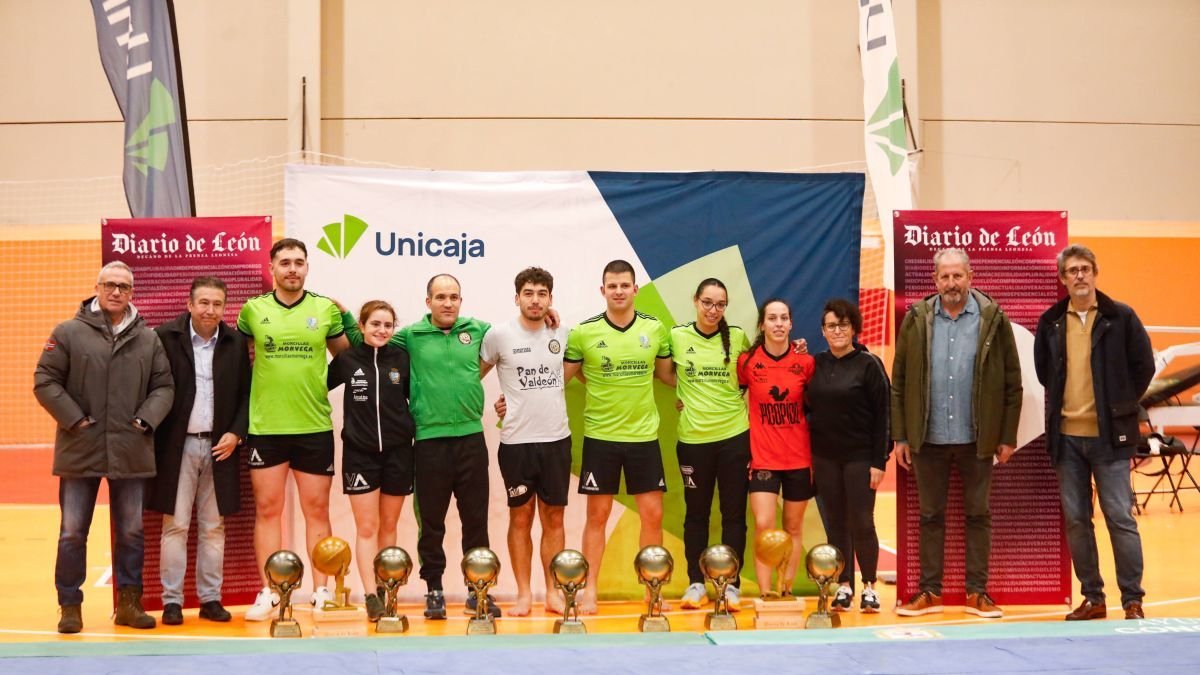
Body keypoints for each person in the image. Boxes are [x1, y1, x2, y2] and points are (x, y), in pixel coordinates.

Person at [341, 274, 495, 620]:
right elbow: (368, 341)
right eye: (440, 297)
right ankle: (434, 590)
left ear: (461, 300)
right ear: (428, 302)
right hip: (427, 442)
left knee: (476, 520)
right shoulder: (409, 336)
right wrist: (347, 317)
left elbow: (515, 336)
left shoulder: (479, 329)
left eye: (454, 296)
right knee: (432, 524)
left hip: (471, 438)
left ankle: (478, 590)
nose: (447, 303)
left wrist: (547, 317)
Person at [34, 261, 174, 633]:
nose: (116, 291)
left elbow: (164, 387)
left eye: (124, 287)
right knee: (72, 531)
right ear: (96, 287)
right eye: (110, 285)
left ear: (132, 293)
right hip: (80, 447)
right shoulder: (67, 332)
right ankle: (69, 606)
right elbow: (45, 380)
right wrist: (75, 419)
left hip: (131, 448)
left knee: (131, 531)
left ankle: (129, 603)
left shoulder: (148, 338)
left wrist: (145, 420)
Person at [892, 247, 1022, 619]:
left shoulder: (992, 318)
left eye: (957, 275)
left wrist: (1007, 436)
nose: (951, 283)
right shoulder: (917, 318)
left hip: (977, 440)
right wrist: (901, 435)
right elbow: (899, 382)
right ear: (935, 280)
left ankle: (977, 593)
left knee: (978, 515)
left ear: (970, 276)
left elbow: (1013, 383)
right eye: (944, 276)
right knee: (930, 516)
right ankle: (930, 592)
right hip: (927, 439)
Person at [1034, 244, 1154, 621]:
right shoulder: (1051, 321)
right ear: (1063, 278)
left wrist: (1120, 406)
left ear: (1095, 273)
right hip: (1067, 438)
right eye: (1072, 270)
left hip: (1110, 439)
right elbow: (1043, 372)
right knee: (1076, 520)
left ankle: (1132, 599)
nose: (1080, 275)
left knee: (1120, 517)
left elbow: (1144, 367)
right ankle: (1093, 598)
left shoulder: (1121, 317)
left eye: (1085, 268)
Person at [238, 238, 349, 621]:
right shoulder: (252, 310)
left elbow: (348, 359)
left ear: (307, 268)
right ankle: (271, 592)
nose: (292, 269)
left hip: (313, 426)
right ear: (272, 267)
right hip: (266, 427)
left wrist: (319, 384)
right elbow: (236, 361)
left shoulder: (324, 310)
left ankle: (321, 590)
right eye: (285, 262)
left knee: (317, 510)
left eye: (299, 262)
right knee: (269, 510)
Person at [564, 259, 673, 614]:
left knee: (653, 515)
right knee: (597, 516)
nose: (619, 291)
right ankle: (589, 590)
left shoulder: (656, 329)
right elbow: (564, 376)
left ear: (635, 289)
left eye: (625, 285)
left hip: (644, 436)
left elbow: (667, 376)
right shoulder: (583, 332)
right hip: (600, 436)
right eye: (612, 286)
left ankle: (652, 591)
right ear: (603, 291)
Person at [148, 277, 250, 626]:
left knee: (213, 528)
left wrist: (237, 433)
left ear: (225, 308)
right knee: (174, 526)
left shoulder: (235, 342)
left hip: (221, 449)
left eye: (217, 304)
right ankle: (172, 601)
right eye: (204, 303)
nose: (210, 310)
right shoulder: (164, 337)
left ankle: (210, 599)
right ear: (189, 304)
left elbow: (246, 394)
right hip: (177, 448)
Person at [480, 267, 571, 617]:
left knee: (554, 519)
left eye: (542, 293)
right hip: (516, 442)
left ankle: (552, 592)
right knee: (520, 519)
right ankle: (522, 593)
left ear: (550, 298)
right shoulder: (498, 335)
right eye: (529, 293)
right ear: (516, 297)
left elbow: (571, 373)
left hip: (556, 440)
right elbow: (473, 376)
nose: (535, 299)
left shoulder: (563, 333)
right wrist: (494, 403)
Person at [327, 300, 414, 622]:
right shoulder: (347, 360)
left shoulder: (402, 360)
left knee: (389, 526)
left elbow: (417, 397)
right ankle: (369, 596)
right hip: (360, 455)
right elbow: (314, 388)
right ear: (361, 327)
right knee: (367, 527)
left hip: (399, 453)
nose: (381, 330)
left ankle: (385, 589)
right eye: (375, 324)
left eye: (388, 325)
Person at [668, 279, 751, 611]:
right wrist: (683, 394)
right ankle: (695, 583)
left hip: (734, 437)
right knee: (696, 514)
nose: (713, 310)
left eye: (720, 304)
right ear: (695, 301)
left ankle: (731, 585)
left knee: (734, 514)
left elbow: (757, 374)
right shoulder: (676, 336)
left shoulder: (740, 337)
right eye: (707, 302)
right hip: (693, 441)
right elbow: (663, 373)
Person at [806, 299, 890, 613]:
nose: (838, 330)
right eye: (831, 326)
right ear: (823, 331)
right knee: (836, 525)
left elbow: (884, 415)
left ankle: (869, 586)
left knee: (862, 522)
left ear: (854, 328)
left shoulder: (869, 364)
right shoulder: (818, 363)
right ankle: (843, 586)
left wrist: (879, 461)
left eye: (843, 325)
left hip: (860, 458)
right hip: (826, 460)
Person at [737, 298, 815, 597]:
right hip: (763, 459)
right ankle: (766, 592)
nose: (779, 324)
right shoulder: (747, 362)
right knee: (765, 526)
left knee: (793, 529)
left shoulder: (806, 364)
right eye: (772, 318)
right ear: (762, 324)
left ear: (791, 324)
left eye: (784, 318)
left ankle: (786, 590)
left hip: (798, 459)